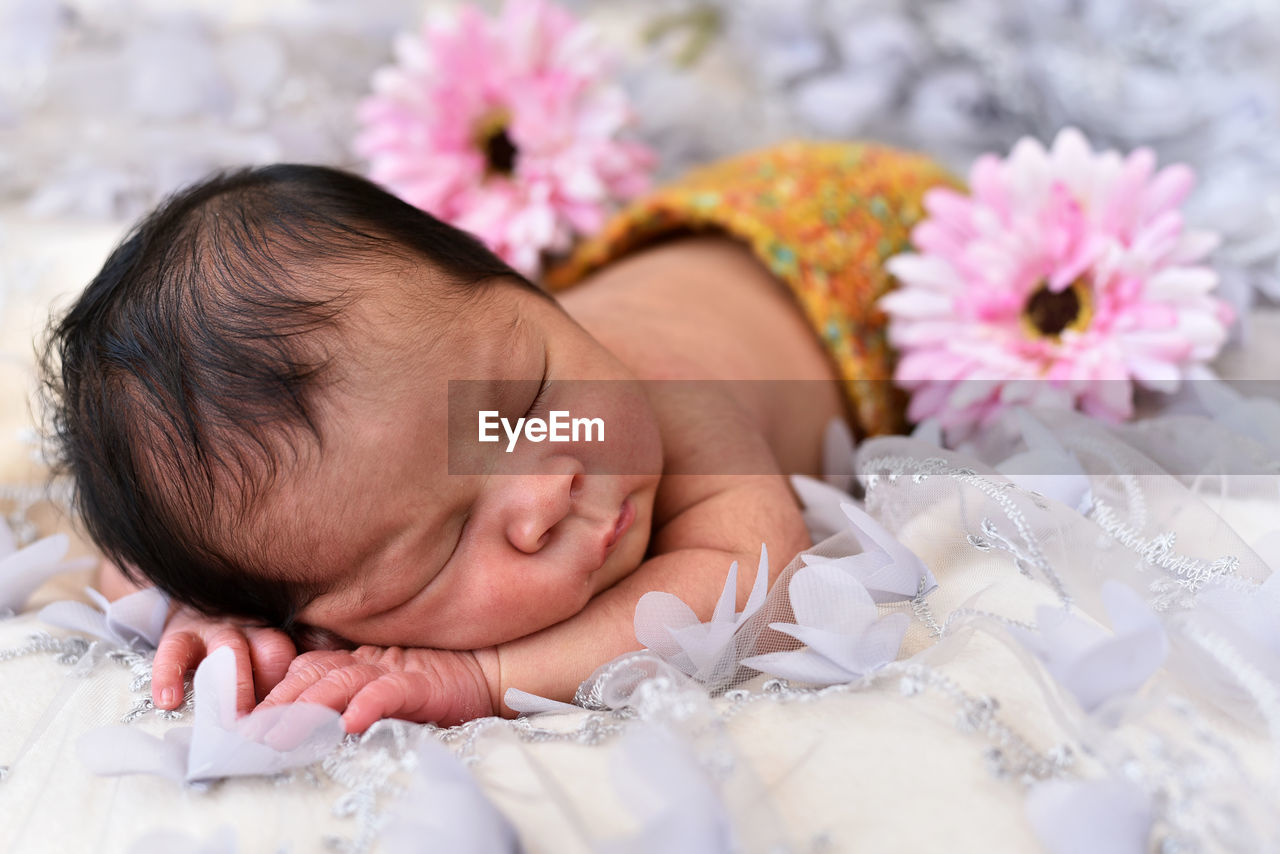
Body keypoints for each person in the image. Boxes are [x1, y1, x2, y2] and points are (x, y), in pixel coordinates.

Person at [43, 141, 955, 732]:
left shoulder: (664, 395)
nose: (543, 490)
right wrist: (211, 615)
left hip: (882, 247)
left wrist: (487, 674)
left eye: (524, 400)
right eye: (439, 550)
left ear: (523, 284)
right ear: (313, 618)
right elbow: (137, 552)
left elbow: (752, 583)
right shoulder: (318, 499)